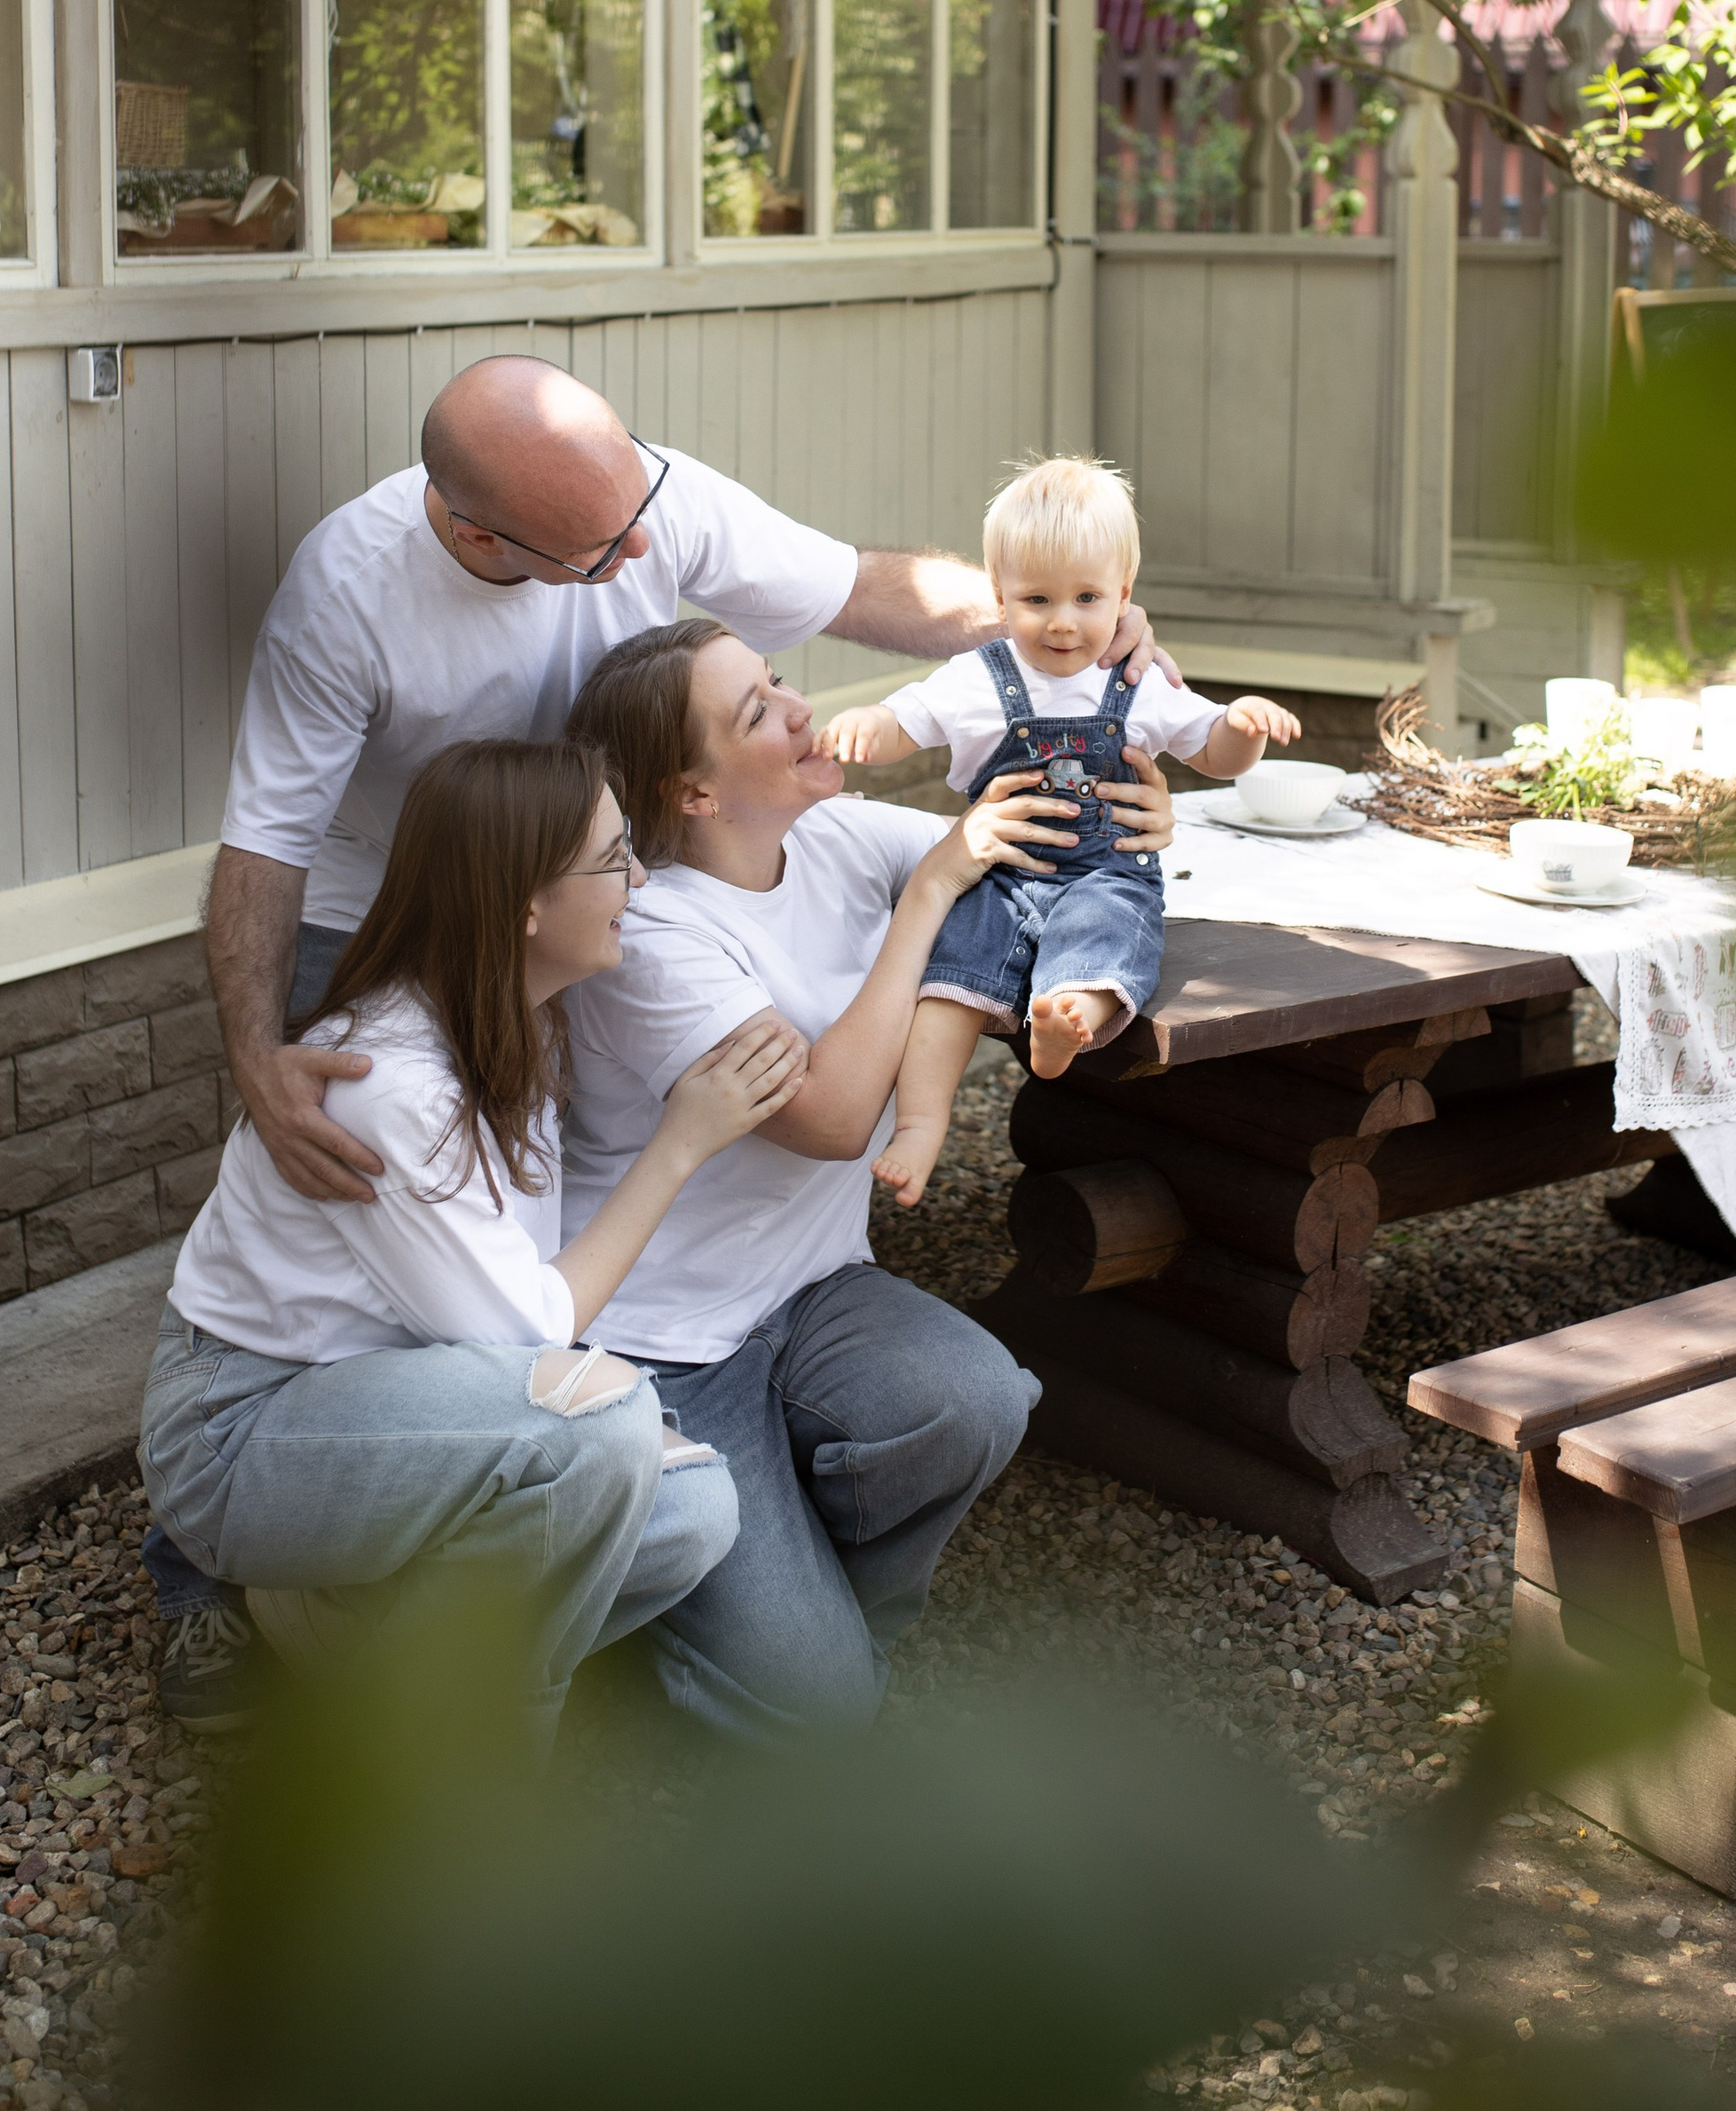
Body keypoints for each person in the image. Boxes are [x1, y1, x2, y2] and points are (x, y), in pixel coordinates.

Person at [204, 357, 1178, 1214]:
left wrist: (1067, 638)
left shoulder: (645, 497)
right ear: (482, 541)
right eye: (599, 548)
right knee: (374, 1171)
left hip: (591, 879)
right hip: (396, 905)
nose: (640, 550)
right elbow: (266, 842)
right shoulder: (344, 600)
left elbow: (862, 588)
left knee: (542, 1159)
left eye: (637, 513)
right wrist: (254, 1059)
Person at [553, 617, 1177, 1736]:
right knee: (818, 1710)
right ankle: (669, 1608)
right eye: (757, 711)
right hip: (662, 1345)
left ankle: (805, 1612)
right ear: (693, 792)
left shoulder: (830, 833)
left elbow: (1029, 856)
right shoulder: (653, 934)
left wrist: (1128, 825)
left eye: (777, 681)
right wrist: (926, 899)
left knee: (977, 1399)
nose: (801, 708)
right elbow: (836, 1121)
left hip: (810, 1294)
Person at [141, 739, 805, 1740]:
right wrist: (680, 1144)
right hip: (244, 1431)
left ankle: (349, 1646)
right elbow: (527, 1336)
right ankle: (454, 1767)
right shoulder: (389, 1086)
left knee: (691, 1511)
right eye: (612, 859)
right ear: (523, 904)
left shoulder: (516, 1020)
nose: (637, 880)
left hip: (399, 1411)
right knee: (601, 1428)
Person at [820, 455, 1300, 1202]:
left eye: (1086, 598)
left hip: (1106, 872)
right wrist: (865, 725)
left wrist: (1243, 726)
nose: (1063, 621)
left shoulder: (1136, 680)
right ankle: (919, 1125)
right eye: (1037, 599)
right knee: (948, 987)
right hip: (999, 876)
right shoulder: (978, 678)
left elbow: (1212, 753)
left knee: (1105, 940)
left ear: (1124, 596)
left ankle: (1065, 1024)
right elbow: (905, 722)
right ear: (999, 595)